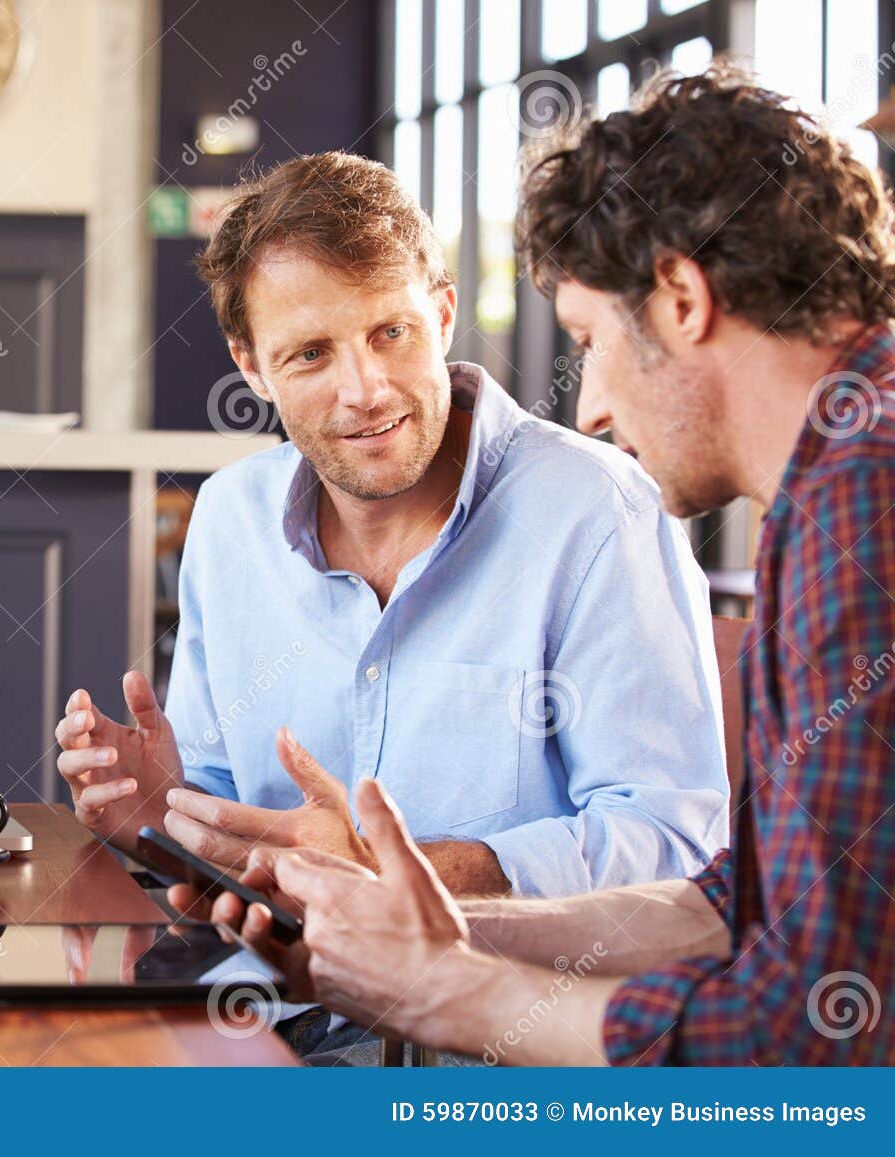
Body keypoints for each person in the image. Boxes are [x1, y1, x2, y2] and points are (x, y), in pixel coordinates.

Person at [188, 67, 895, 1066]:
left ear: (681, 299)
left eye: (585, 341)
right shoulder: (827, 488)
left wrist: (450, 992)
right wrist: (401, 930)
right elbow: (738, 904)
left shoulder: (866, 504)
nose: (593, 404)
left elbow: (811, 1035)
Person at [57, 151, 728, 902]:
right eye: (310, 354)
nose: (364, 391)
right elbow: (229, 807)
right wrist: (166, 813)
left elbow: (675, 840)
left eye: (390, 333)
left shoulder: (599, 512)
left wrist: (392, 872)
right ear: (252, 367)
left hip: (498, 1003)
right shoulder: (228, 518)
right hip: (272, 996)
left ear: (442, 317)